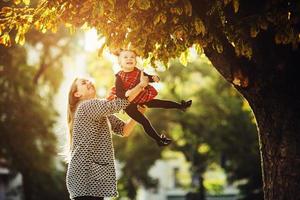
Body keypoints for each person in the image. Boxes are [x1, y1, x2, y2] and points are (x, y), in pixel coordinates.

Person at [65, 75, 148, 200]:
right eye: (83, 82)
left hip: (91, 177)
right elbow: (119, 103)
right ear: (77, 94)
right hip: (85, 176)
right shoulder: (85, 106)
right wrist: (140, 85)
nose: (88, 82)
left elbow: (123, 130)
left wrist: (139, 114)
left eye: (88, 80)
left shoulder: (98, 110)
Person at [107, 49, 192, 146]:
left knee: (160, 103)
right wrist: (127, 94)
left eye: (132, 57)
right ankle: (159, 140)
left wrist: (154, 78)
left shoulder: (139, 72)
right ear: (120, 62)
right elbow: (119, 93)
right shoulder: (119, 76)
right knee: (144, 121)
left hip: (140, 98)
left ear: (135, 61)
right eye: (125, 57)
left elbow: (148, 78)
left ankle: (181, 106)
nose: (129, 59)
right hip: (128, 105)